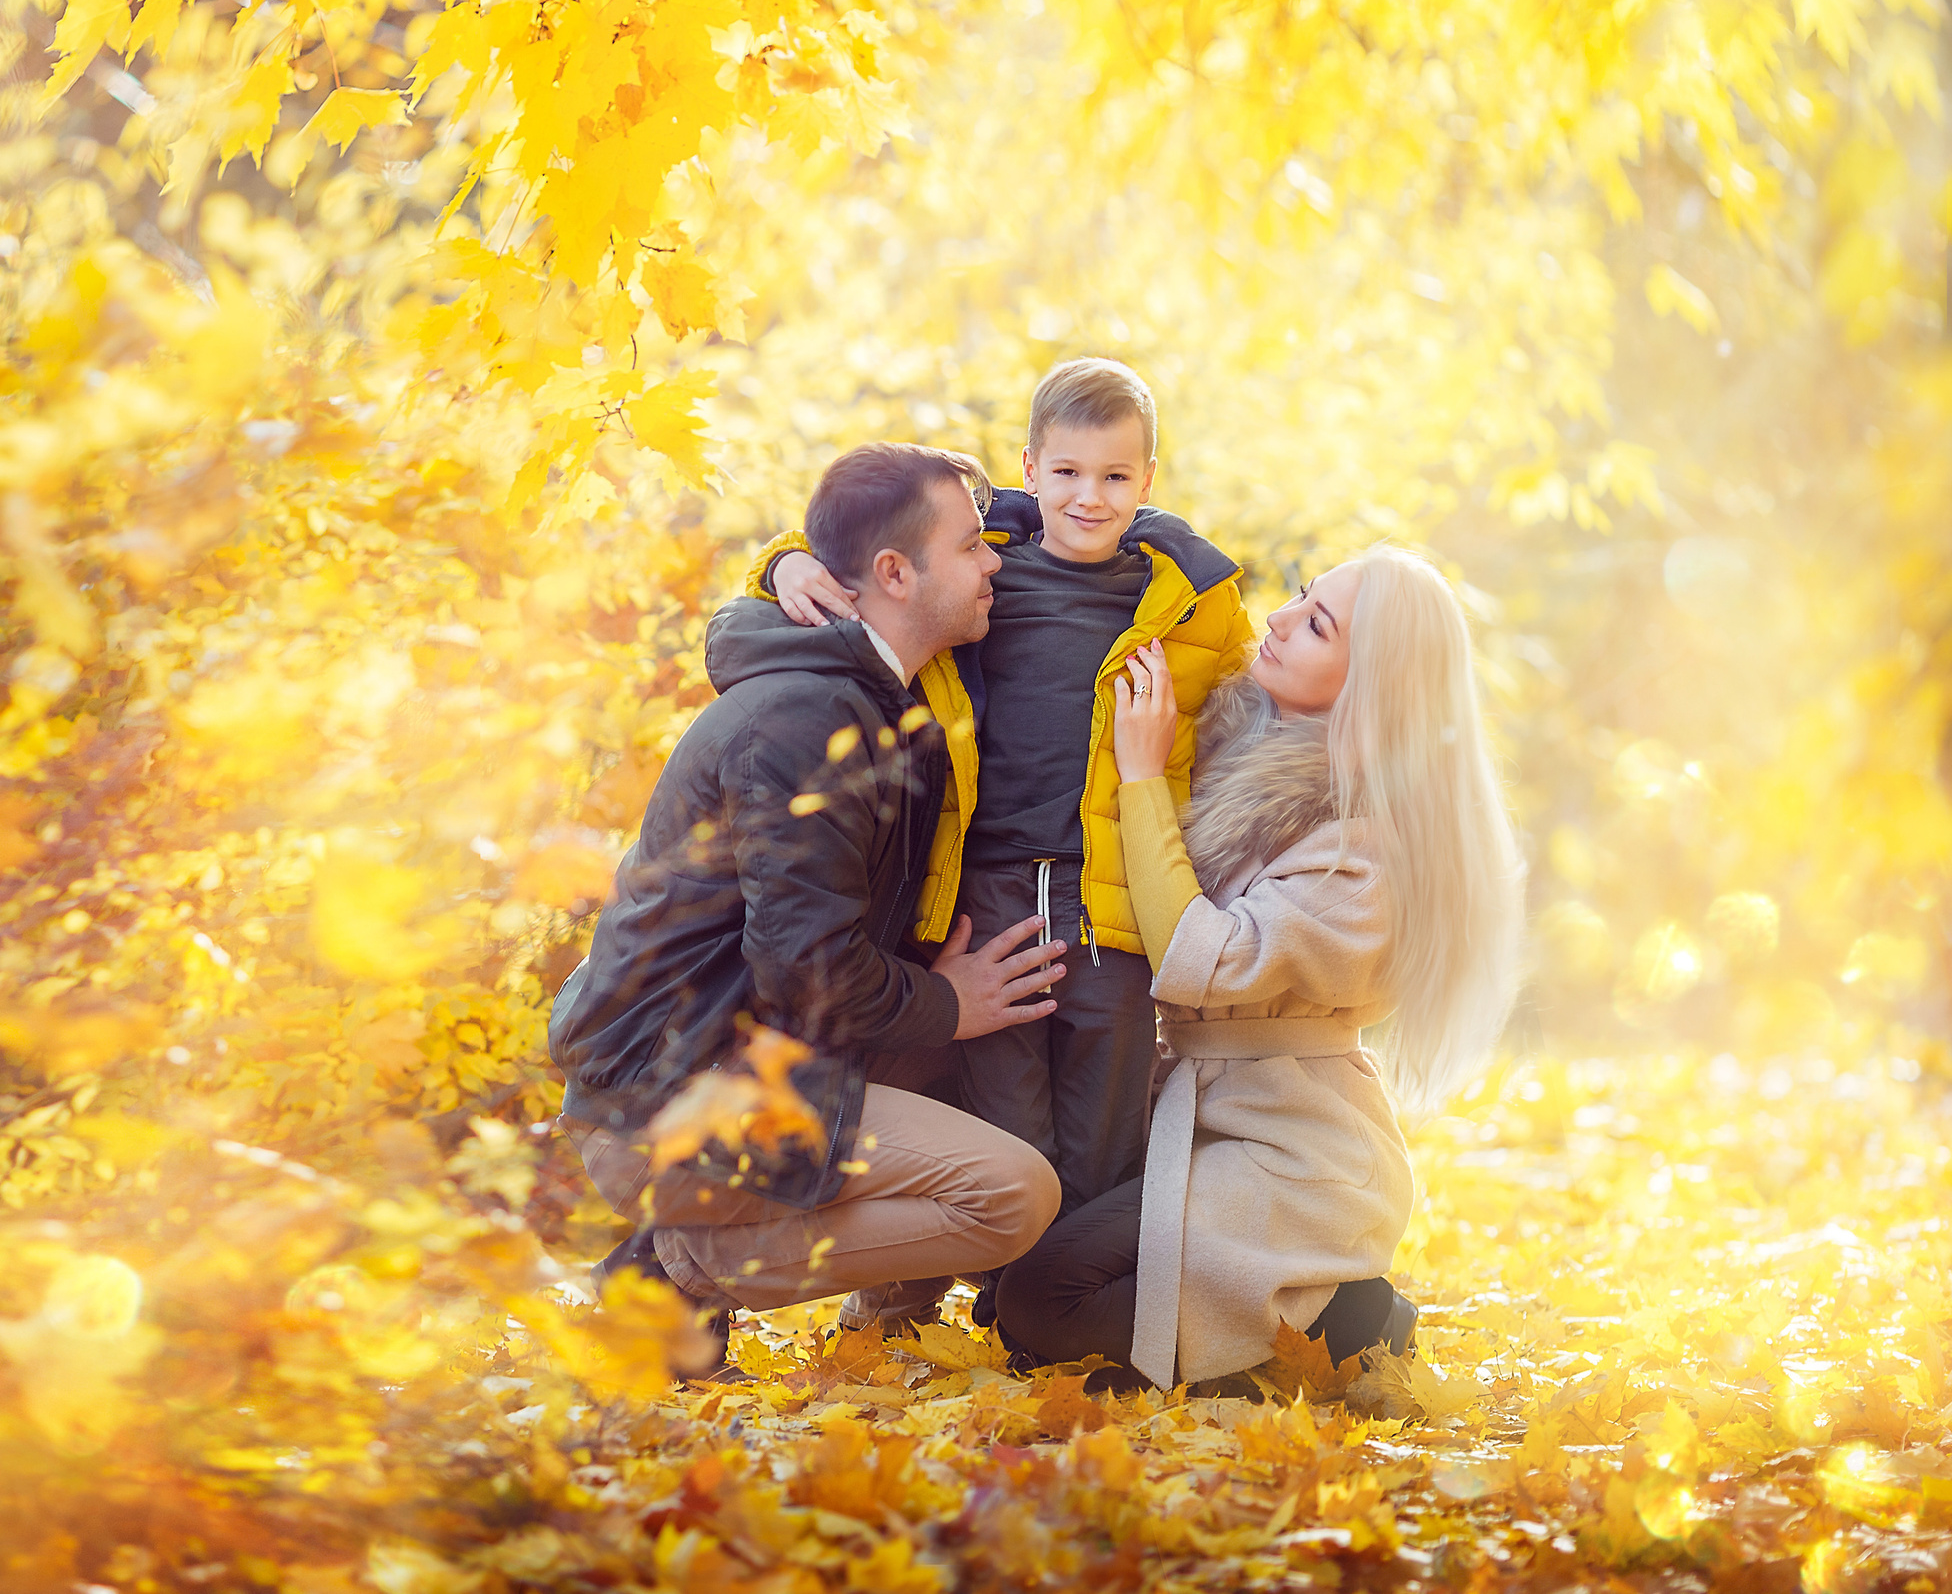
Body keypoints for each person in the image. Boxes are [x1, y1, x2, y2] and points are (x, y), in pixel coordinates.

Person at [554, 443, 1072, 1376]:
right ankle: (673, 1270)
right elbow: (809, 968)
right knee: (1012, 1196)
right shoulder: (808, 722)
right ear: (893, 574)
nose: (995, 560)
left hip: (744, 1066)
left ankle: (866, 1317)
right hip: (668, 1102)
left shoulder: (873, 696)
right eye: (970, 547)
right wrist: (949, 1003)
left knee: (976, 1087)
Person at [753, 360, 1254, 1325]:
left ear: (1149, 480)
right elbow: (866, 542)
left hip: (1112, 899)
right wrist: (785, 564)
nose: (1087, 497)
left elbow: (1252, 706)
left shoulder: (1189, 598)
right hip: (986, 887)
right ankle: (983, 1289)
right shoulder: (987, 558)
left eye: (1115, 477)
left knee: (1104, 1126)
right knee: (1003, 1107)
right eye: (1064, 473)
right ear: (1029, 467)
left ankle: (1065, 1309)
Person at [991, 545, 1526, 1389]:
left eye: (1317, 624)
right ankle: (1287, 1324)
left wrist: (1141, 776)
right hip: (1194, 1112)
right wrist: (794, 568)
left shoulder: (1369, 853)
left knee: (1040, 1304)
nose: (1279, 619)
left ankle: (1348, 1326)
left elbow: (1195, 956)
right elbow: (1133, 524)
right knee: (1016, 1295)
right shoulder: (1244, 746)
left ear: (1372, 685)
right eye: (1304, 594)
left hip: (1290, 1146)